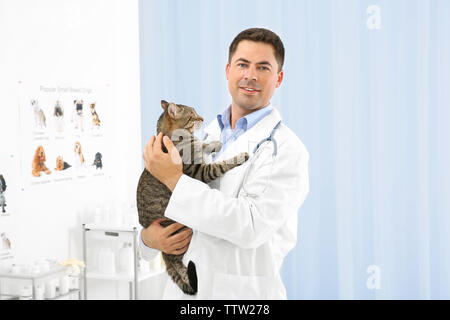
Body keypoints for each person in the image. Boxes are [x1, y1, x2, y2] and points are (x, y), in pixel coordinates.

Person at [140, 28, 309, 299]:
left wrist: (174, 179)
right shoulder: (204, 135)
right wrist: (148, 240)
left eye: (263, 67)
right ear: (228, 70)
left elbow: (250, 226)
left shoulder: (286, 150)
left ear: (278, 78)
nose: (250, 75)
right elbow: (160, 214)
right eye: (243, 64)